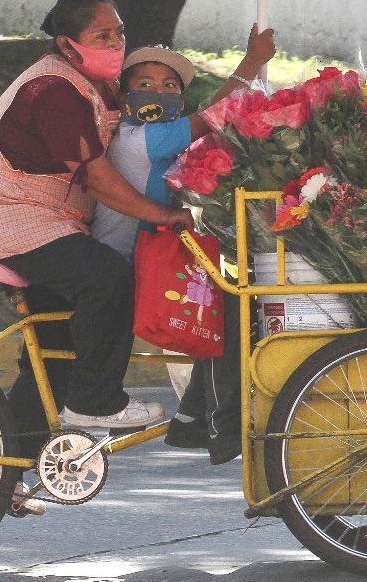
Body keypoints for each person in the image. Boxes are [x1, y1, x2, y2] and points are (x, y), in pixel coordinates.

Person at [0, 0, 193, 515]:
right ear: (69, 43)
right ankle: (97, 402)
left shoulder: (94, 85)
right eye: (102, 36)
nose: (116, 43)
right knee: (107, 279)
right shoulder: (52, 88)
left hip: (45, 223)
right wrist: (163, 216)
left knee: (55, 346)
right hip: (13, 223)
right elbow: (99, 178)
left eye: (119, 32)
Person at [90, 28, 275, 465]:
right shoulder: (137, 141)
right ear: (124, 96)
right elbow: (212, 115)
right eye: (145, 85)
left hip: (156, 258)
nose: (159, 91)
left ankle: (194, 417)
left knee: (227, 302)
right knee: (229, 306)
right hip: (129, 266)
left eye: (170, 85)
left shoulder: (160, 140)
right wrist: (251, 63)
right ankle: (218, 423)